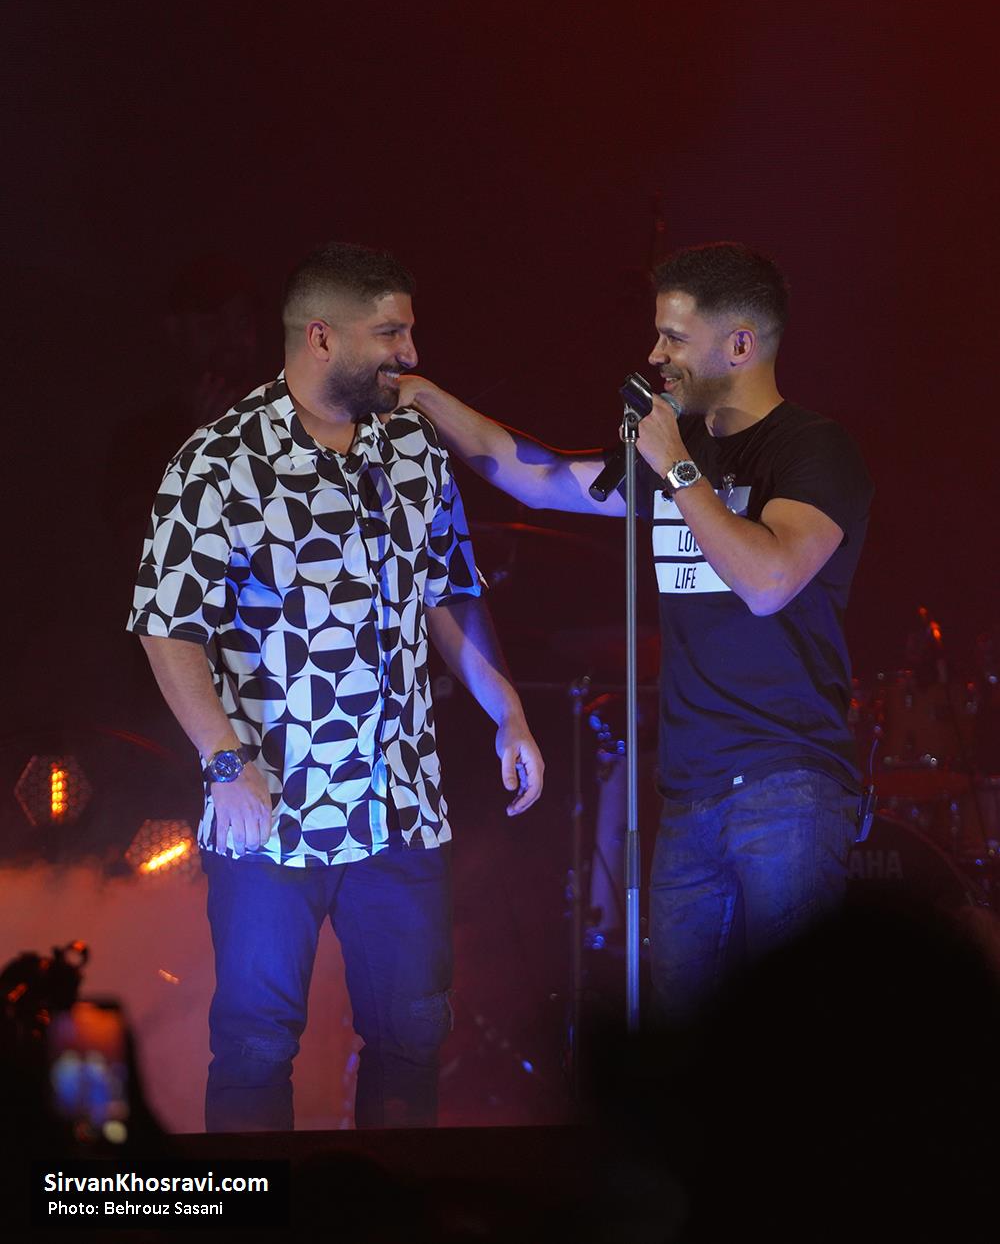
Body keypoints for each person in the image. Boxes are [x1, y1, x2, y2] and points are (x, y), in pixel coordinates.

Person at [397, 242, 873, 1024]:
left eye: (674, 338)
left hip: (787, 787)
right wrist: (427, 398)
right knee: (683, 1051)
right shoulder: (672, 455)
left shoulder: (812, 450)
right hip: (687, 796)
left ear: (740, 344)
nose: (654, 355)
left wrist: (679, 468)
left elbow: (768, 581)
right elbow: (536, 477)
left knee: (788, 1040)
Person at [127, 241, 544, 1130]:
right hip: (271, 809)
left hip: (399, 806)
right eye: (390, 333)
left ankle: (387, 1202)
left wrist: (506, 711)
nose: (410, 354)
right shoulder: (220, 460)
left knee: (412, 1037)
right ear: (322, 336)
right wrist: (224, 763)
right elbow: (167, 626)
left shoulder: (413, 447)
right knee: (255, 1046)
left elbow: (449, 591)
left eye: (410, 331)